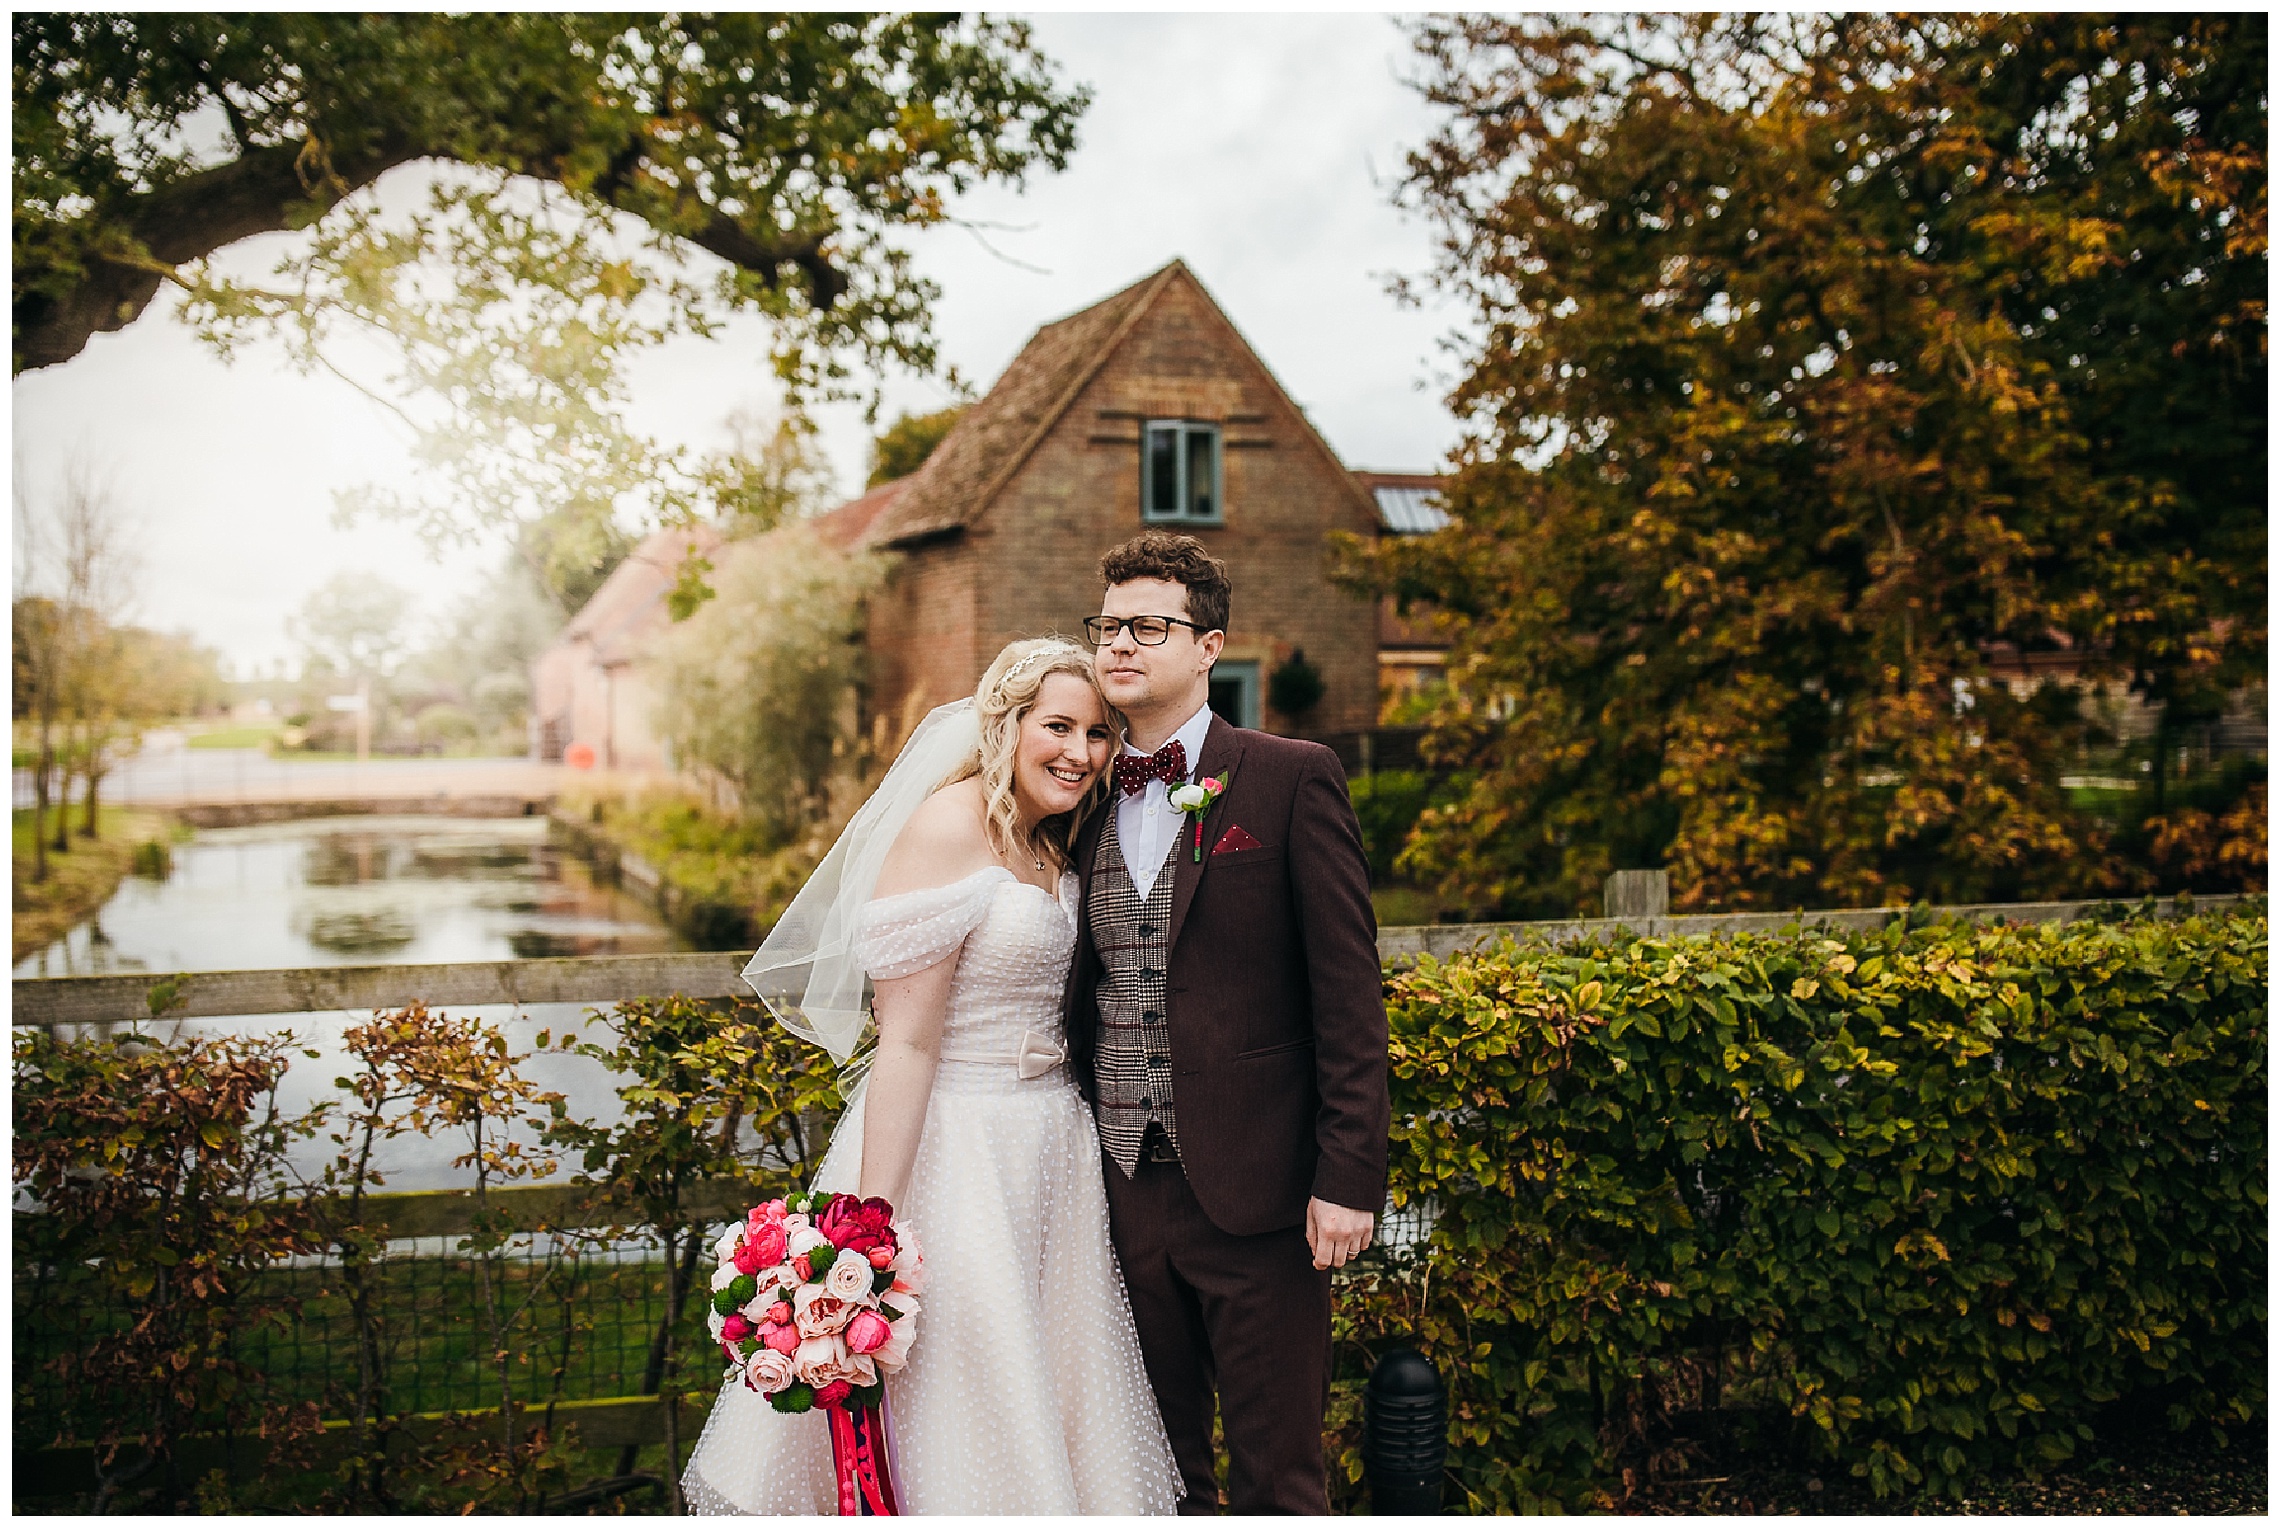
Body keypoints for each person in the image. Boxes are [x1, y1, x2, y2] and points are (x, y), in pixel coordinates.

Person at [683, 637, 1183, 1515]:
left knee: (1054, 1376)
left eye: (1100, 734)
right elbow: (907, 1044)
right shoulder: (949, 828)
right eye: (1057, 726)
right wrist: (868, 1226)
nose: (1080, 751)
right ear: (1008, 724)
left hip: (1055, 1148)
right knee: (965, 1383)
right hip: (964, 1150)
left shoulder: (1051, 840)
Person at [1065, 531, 1392, 1514]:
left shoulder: (1291, 777)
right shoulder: (1073, 795)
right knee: (1154, 1469)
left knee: (1279, 1469)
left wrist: (1347, 1178)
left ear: (1209, 646)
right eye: (1110, 625)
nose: (1122, 643)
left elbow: (1349, 998)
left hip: (1262, 1194)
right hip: (1115, 1189)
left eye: (1150, 626)